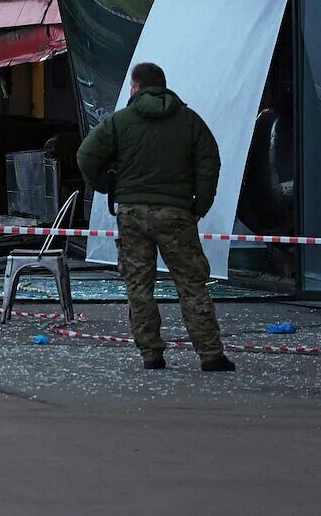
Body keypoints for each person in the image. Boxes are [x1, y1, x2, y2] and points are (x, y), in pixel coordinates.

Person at [77, 62, 235, 373]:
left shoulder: (118, 122)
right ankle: (210, 354)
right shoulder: (190, 122)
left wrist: (104, 185)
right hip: (176, 213)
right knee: (191, 284)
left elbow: (86, 155)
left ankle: (151, 354)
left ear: (136, 87)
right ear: (162, 86)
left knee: (139, 286)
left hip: (132, 213)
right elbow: (209, 163)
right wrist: (198, 205)